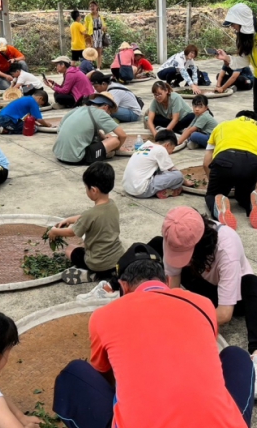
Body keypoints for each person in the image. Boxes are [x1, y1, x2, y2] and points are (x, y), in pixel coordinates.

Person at [53, 255, 254, 428]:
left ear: (123, 286)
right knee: (237, 356)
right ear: (167, 281)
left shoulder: (103, 316)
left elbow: (104, 377)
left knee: (72, 375)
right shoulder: (203, 304)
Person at [153, 205, 257, 401]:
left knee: (253, 284)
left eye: (185, 253)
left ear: (199, 243)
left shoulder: (227, 246)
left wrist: (187, 325)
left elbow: (225, 313)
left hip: (236, 295)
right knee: (155, 249)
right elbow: (173, 285)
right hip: (204, 287)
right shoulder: (172, 236)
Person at [47, 162, 125, 292]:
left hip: (97, 263)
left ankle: (94, 274)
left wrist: (55, 231)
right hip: (117, 259)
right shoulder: (112, 205)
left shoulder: (90, 214)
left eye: (86, 187)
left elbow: (71, 232)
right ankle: (109, 273)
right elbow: (87, 218)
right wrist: (69, 219)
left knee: (70, 249)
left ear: (93, 190)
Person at [202, 111, 257, 230]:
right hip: (252, 163)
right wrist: (255, 185)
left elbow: (206, 162)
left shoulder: (222, 126)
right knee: (242, 195)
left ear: (236, 118)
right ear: (255, 121)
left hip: (225, 161)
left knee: (212, 195)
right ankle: (250, 202)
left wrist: (212, 181)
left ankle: (220, 208)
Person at [53, 94, 127, 164]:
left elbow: (59, 129)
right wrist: (116, 149)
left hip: (59, 154)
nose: (109, 115)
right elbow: (123, 135)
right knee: (115, 140)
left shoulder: (77, 109)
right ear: (106, 107)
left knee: (105, 136)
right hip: (77, 157)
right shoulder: (100, 113)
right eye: (110, 112)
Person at [123, 130, 184, 199]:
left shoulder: (145, 145)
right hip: (141, 191)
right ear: (167, 145)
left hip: (128, 188)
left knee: (161, 169)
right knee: (178, 175)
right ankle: (167, 191)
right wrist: (184, 180)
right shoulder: (161, 149)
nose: (172, 152)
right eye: (172, 148)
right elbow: (172, 169)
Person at [84, 0, 107, 68]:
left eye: (93, 6)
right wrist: (86, 37)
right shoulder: (88, 17)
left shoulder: (100, 16)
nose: (92, 7)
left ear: (97, 7)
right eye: (90, 6)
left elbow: (104, 26)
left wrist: (104, 28)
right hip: (92, 35)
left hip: (99, 34)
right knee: (91, 52)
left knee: (99, 52)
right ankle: (90, 67)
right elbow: (85, 27)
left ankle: (98, 68)